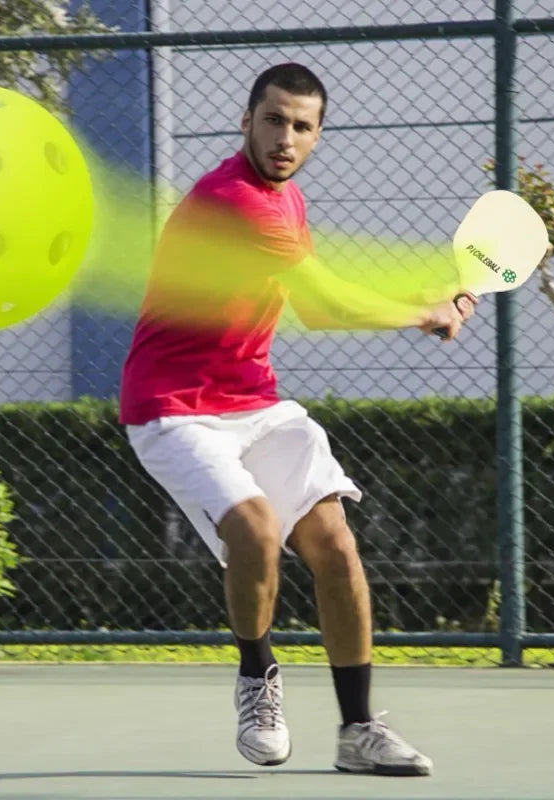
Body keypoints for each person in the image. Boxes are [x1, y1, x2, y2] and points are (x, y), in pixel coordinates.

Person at [118, 62, 477, 776]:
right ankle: (257, 676)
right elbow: (329, 306)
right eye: (275, 120)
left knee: (335, 547)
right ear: (246, 122)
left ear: (316, 137)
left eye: (302, 126)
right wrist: (424, 312)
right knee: (254, 527)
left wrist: (426, 299)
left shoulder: (288, 202)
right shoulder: (235, 199)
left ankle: (359, 731)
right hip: (172, 407)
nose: (286, 137)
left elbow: (318, 293)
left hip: (255, 398)